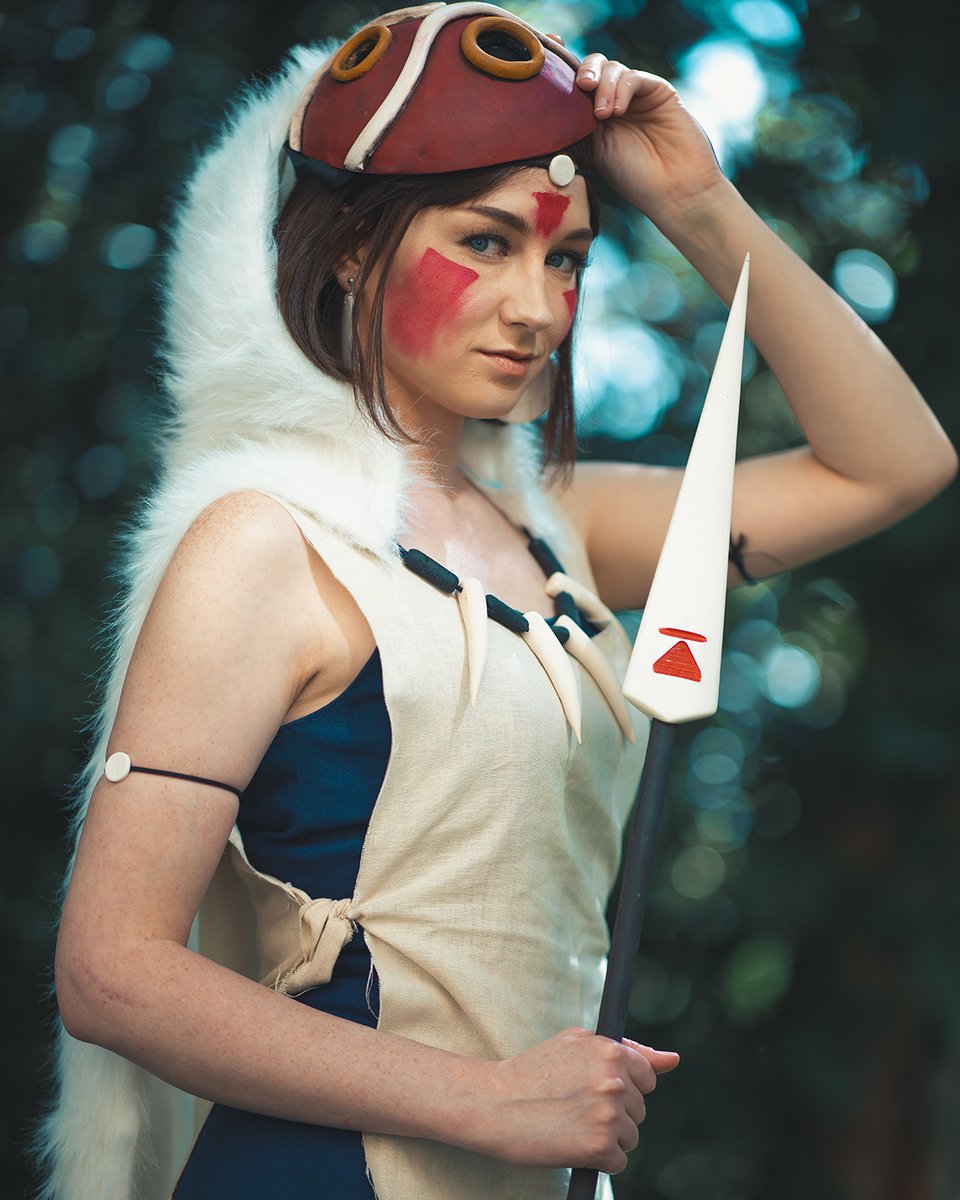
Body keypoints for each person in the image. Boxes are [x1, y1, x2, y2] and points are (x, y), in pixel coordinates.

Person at [41, 4, 956, 1200]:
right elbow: (109, 971)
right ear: (352, 248)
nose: (539, 307)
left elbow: (895, 464)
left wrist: (697, 205)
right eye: (486, 241)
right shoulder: (265, 541)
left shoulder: (562, 526)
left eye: (565, 259)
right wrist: (489, 1102)